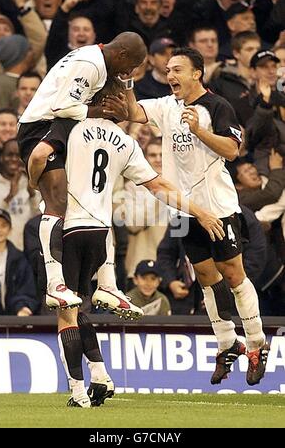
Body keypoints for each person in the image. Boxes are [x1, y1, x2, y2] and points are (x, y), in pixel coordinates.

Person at [57, 76, 224, 407]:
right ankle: (101, 376)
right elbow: (160, 187)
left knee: (65, 311)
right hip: (102, 234)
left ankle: (77, 392)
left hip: (67, 226)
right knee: (80, 306)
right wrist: (200, 212)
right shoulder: (125, 142)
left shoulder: (70, 128)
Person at [114, 46, 270, 386]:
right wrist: (127, 83)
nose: (170, 75)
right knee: (205, 277)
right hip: (184, 208)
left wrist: (199, 131)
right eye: (168, 70)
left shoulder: (217, 106)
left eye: (178, 70)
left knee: (233, 275)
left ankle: (257, 343)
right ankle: (228, 343)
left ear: (196, 73)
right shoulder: (166, 106)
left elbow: (232, 150)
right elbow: (132, 112)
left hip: (217, 206)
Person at [17, 32, 148, 310]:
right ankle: (55, 285)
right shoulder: (90, 64)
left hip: (65, 126)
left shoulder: (102, 63)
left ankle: (108, 285)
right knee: (58, 203)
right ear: (121, 54)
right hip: (42, 126)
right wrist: (98, 110)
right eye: (131, 66)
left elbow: (134, 112)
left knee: (95, 203)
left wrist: (127, 81)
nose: (130, 72)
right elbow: (62, 107)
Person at [0, 208, 38, 316]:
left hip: (14, 321)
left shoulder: (20, 259)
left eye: (3, 225)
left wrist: (24, 308)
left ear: (10, 230)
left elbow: (28, 290)